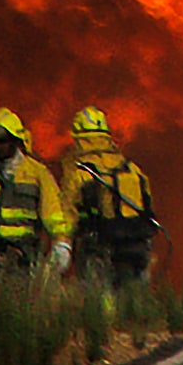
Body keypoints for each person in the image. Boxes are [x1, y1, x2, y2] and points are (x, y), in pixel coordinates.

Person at [0, 106, 75, 269]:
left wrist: (61, 243)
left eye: (1, 140)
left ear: (16, 140)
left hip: (25, 258)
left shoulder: (37, 173)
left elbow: (53, 213)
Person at [56, 105, 158, 282]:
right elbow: (147, 206)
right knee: (134, 304)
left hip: (97, 249)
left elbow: (67, 211)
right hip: (137, 250)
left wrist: (63, 243)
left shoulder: (80, 172)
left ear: (79, 137)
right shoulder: (131, 168)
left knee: (98, 304)